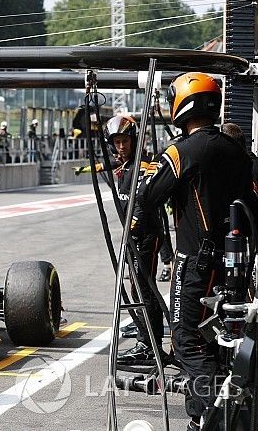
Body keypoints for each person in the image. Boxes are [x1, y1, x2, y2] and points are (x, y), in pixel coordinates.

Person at [132, 73, 255, 430]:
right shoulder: (238, 150)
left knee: (188, 342)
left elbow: (147, 195)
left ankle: (207, 418)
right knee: (220, 342)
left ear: (183, 103)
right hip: (236, 262)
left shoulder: (181, 151)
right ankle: (217, 413)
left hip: (196, 265)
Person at [97, 115, 168, 366]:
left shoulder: (143, 165)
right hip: (136, 237)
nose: (121, 146)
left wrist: (132, 230)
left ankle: (149, 345)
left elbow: (141, 204)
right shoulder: (125, 167)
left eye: (125, 140)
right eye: (116, 142)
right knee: (140, 289)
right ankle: (147, 339)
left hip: (146, 236)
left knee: (145, 291)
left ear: (134, 139)